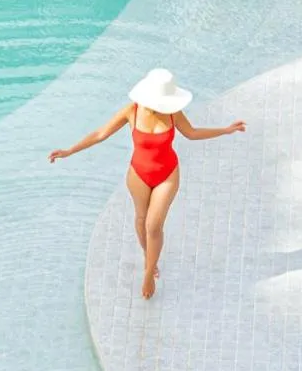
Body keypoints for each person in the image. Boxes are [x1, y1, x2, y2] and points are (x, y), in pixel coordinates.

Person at [49, 68, 245, 299]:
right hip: (138, 174)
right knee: (141, 220)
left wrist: (225, 130)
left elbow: (192, 133)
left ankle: (149, 272)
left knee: (153, 226)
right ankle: (148, 256)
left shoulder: (173, 114)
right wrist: (69, 151)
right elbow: (101, 133)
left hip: (167, 174)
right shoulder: (131, 111)